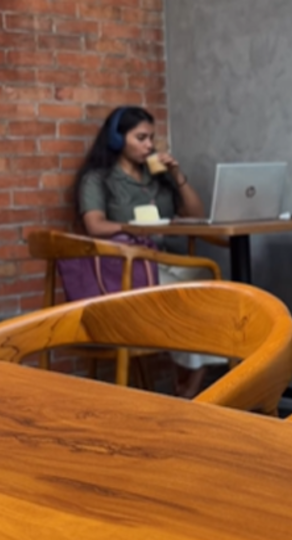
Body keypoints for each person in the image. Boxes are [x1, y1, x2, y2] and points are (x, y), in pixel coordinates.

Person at [73, 105, 226, 398]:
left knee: (211, 288)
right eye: (141, 137)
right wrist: (132, 229)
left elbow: (196, 214)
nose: (148, 145)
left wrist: (176, 173)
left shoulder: (155, 176)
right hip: (127, 267)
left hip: (163, 259)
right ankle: (189, 392)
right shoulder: (99, 179)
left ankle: (187, 390)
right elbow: (94, 225)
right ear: (118, 139)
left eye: (151, 138)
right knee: (188, 297)